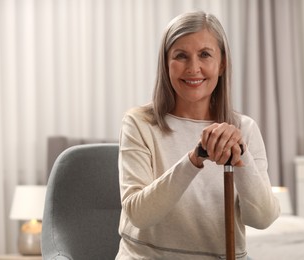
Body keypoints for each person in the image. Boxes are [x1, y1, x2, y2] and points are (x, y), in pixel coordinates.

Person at [115, 11, 280, 260]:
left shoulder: (244, 129)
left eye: (205, 54)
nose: (194, 68)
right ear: (166, 64)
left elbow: (263, 218)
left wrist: (239, 156)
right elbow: (139, 215)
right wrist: (195, 158)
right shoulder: (139, 123)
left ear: (222, 63)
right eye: (181, 56)